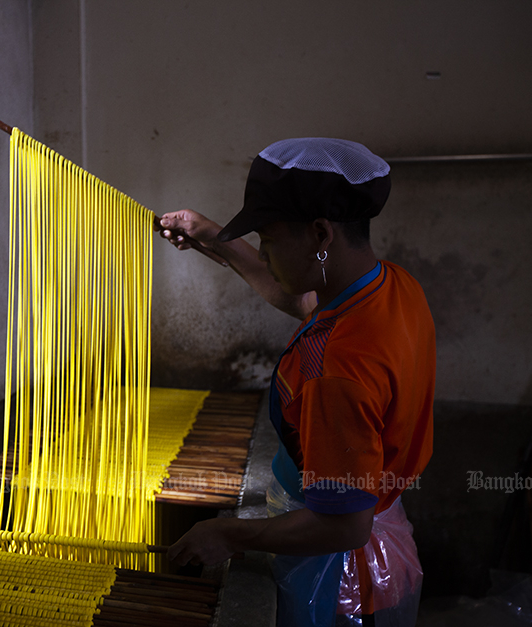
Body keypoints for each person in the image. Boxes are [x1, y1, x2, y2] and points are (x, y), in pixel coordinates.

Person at [160, 138, 435, 627]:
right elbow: (306, 301)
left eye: (268, 240)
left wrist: (231, 536)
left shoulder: (337, 371)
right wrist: (212, 236)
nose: (263, 255)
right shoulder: (390, 287)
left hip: (337, 578)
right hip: (376, 541)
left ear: (320, 234)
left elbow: (344, 525)